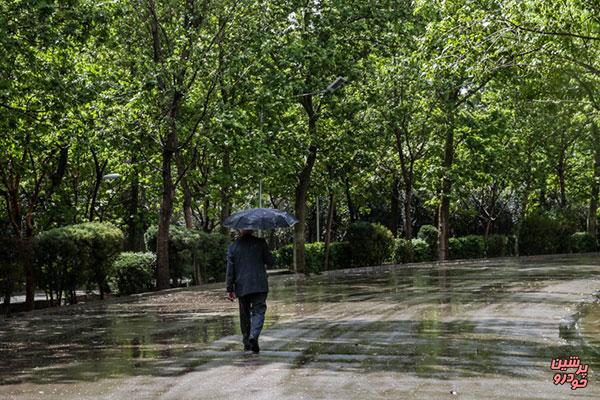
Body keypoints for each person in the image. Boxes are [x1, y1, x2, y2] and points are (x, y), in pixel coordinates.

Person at [226, 229, 275, 353]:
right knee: (259, 311)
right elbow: (270, 262)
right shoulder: (261, 243)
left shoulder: (233, 247)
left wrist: (229, 289)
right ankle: (254, 335)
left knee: (244, 314)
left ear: (239, 230)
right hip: (259, 284)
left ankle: (247, 342)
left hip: (242, 285)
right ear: (252, 229)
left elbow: (230, 270)